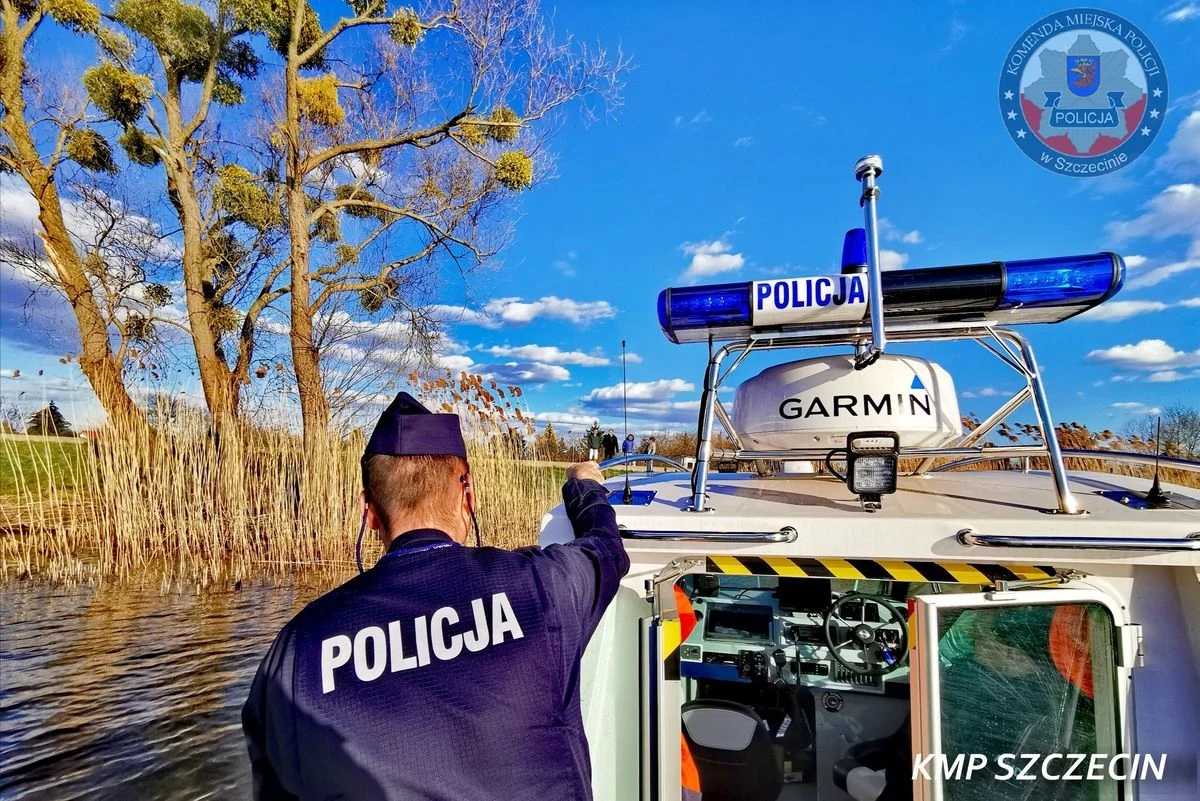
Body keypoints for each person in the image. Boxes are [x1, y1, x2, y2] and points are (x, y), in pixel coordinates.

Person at [242, 392, 629, 801]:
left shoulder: (294, 652)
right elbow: (605, 547)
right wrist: (583, 485)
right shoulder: (542, 586)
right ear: (468, 496)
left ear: (368, 511)